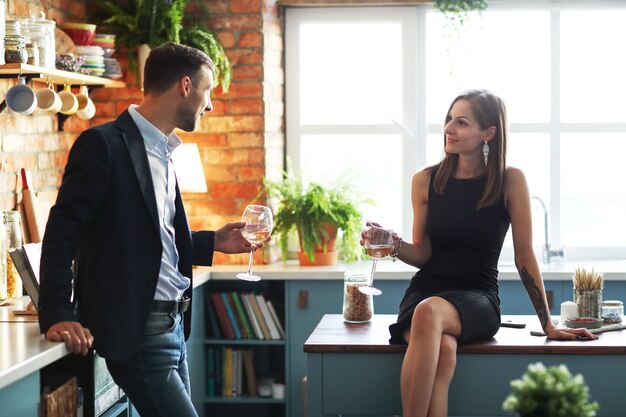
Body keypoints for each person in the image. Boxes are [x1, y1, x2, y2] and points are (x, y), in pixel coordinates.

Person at [38, 42, 255, 416]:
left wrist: (212, 242)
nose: (211, 104)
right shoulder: (101, 145)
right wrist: (58, 311)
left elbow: (148, 237)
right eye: (208, 91)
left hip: (173, 327)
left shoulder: (165, 151)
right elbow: (62, 232)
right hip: (139, 331)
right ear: (185, 86)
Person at [365, 89, 597, 417]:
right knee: (444, 349)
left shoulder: (510, 181)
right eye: (449, 119)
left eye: (461, 122)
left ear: (488, 133)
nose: (449, 128)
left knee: (429, 314)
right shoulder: (425, 181)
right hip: (425, 292)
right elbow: (423, 254)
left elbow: (524, 257)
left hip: (478, 298)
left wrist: (549, 324)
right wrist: (393, 243)